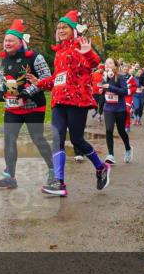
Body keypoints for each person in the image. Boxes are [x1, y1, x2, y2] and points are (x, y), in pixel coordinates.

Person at [29, 10, 111, 197]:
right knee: (57, 138)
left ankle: (101, 167)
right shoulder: (59, 52)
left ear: (73, 30)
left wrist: (88, 52)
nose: (60, 30)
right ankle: (59, 182)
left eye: (64, 27)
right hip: (58, 100)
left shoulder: (80, 45)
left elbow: (94, 63)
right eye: (58, 27)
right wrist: (39, 82)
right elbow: (57, 78)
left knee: (76, 140)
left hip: (76, 100)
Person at [0, 19, 55, 189]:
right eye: (5, 40)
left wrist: (29, 92)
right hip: (13, 107)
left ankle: (53, 170)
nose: (7, 43)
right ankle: (10, 176)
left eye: (11, 41)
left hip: (33, 106)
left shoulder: (35, 57)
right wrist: (0, 90)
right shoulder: (4, 58)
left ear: (20, 42)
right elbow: (1, 77)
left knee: (37, 138)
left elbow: (46, 78)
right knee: (9, 140)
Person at [98, 58, 133, 164]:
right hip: (108, 108)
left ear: (115, 65)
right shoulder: (104, 77)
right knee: (109, 130)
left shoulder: (120, 77)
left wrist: (110, 87)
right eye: (106, 63)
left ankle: (128, 148)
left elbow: (125, 91)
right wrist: (102, 90)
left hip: (120, 109)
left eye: (110, 63)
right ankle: (111, 155)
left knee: (121, 131)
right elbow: (104, 90)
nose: (107, 65)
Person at [130, 61, 144, 126]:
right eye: (139, 72)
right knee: (137, 107)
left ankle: (139, 119)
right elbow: (131, 86)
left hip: (142, 95)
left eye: (141, 72)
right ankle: (135, 118)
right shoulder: (134, 79)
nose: (140, 73)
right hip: (135, 95)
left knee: (141, 108)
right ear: (137, 73)